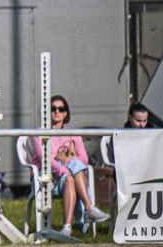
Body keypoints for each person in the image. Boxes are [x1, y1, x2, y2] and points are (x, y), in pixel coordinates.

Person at [28, 94, 111, 236]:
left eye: (61, 109)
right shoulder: (38, 133)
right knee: (71, 172)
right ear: (47, 112)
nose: (57, 112)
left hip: (68, 176)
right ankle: (89, 208)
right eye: (53, 109)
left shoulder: (72, 133)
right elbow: (44, 159)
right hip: (46, 176)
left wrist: (71, 158)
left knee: (73, 170)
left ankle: (67, 226)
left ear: (66, 113)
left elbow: (84, 159)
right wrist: (64, 169)